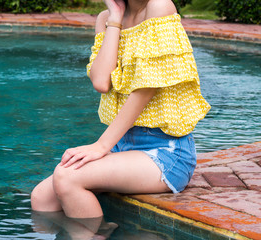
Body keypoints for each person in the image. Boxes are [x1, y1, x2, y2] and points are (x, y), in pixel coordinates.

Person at [31, 0, 210, 220]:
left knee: (67, 177)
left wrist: (101, 145)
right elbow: (101, 82)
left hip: (165, 150)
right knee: (41, 198)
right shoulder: (105, 19)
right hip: (122, 146)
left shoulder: (159, 6)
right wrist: (114, 19)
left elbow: (147, 87)